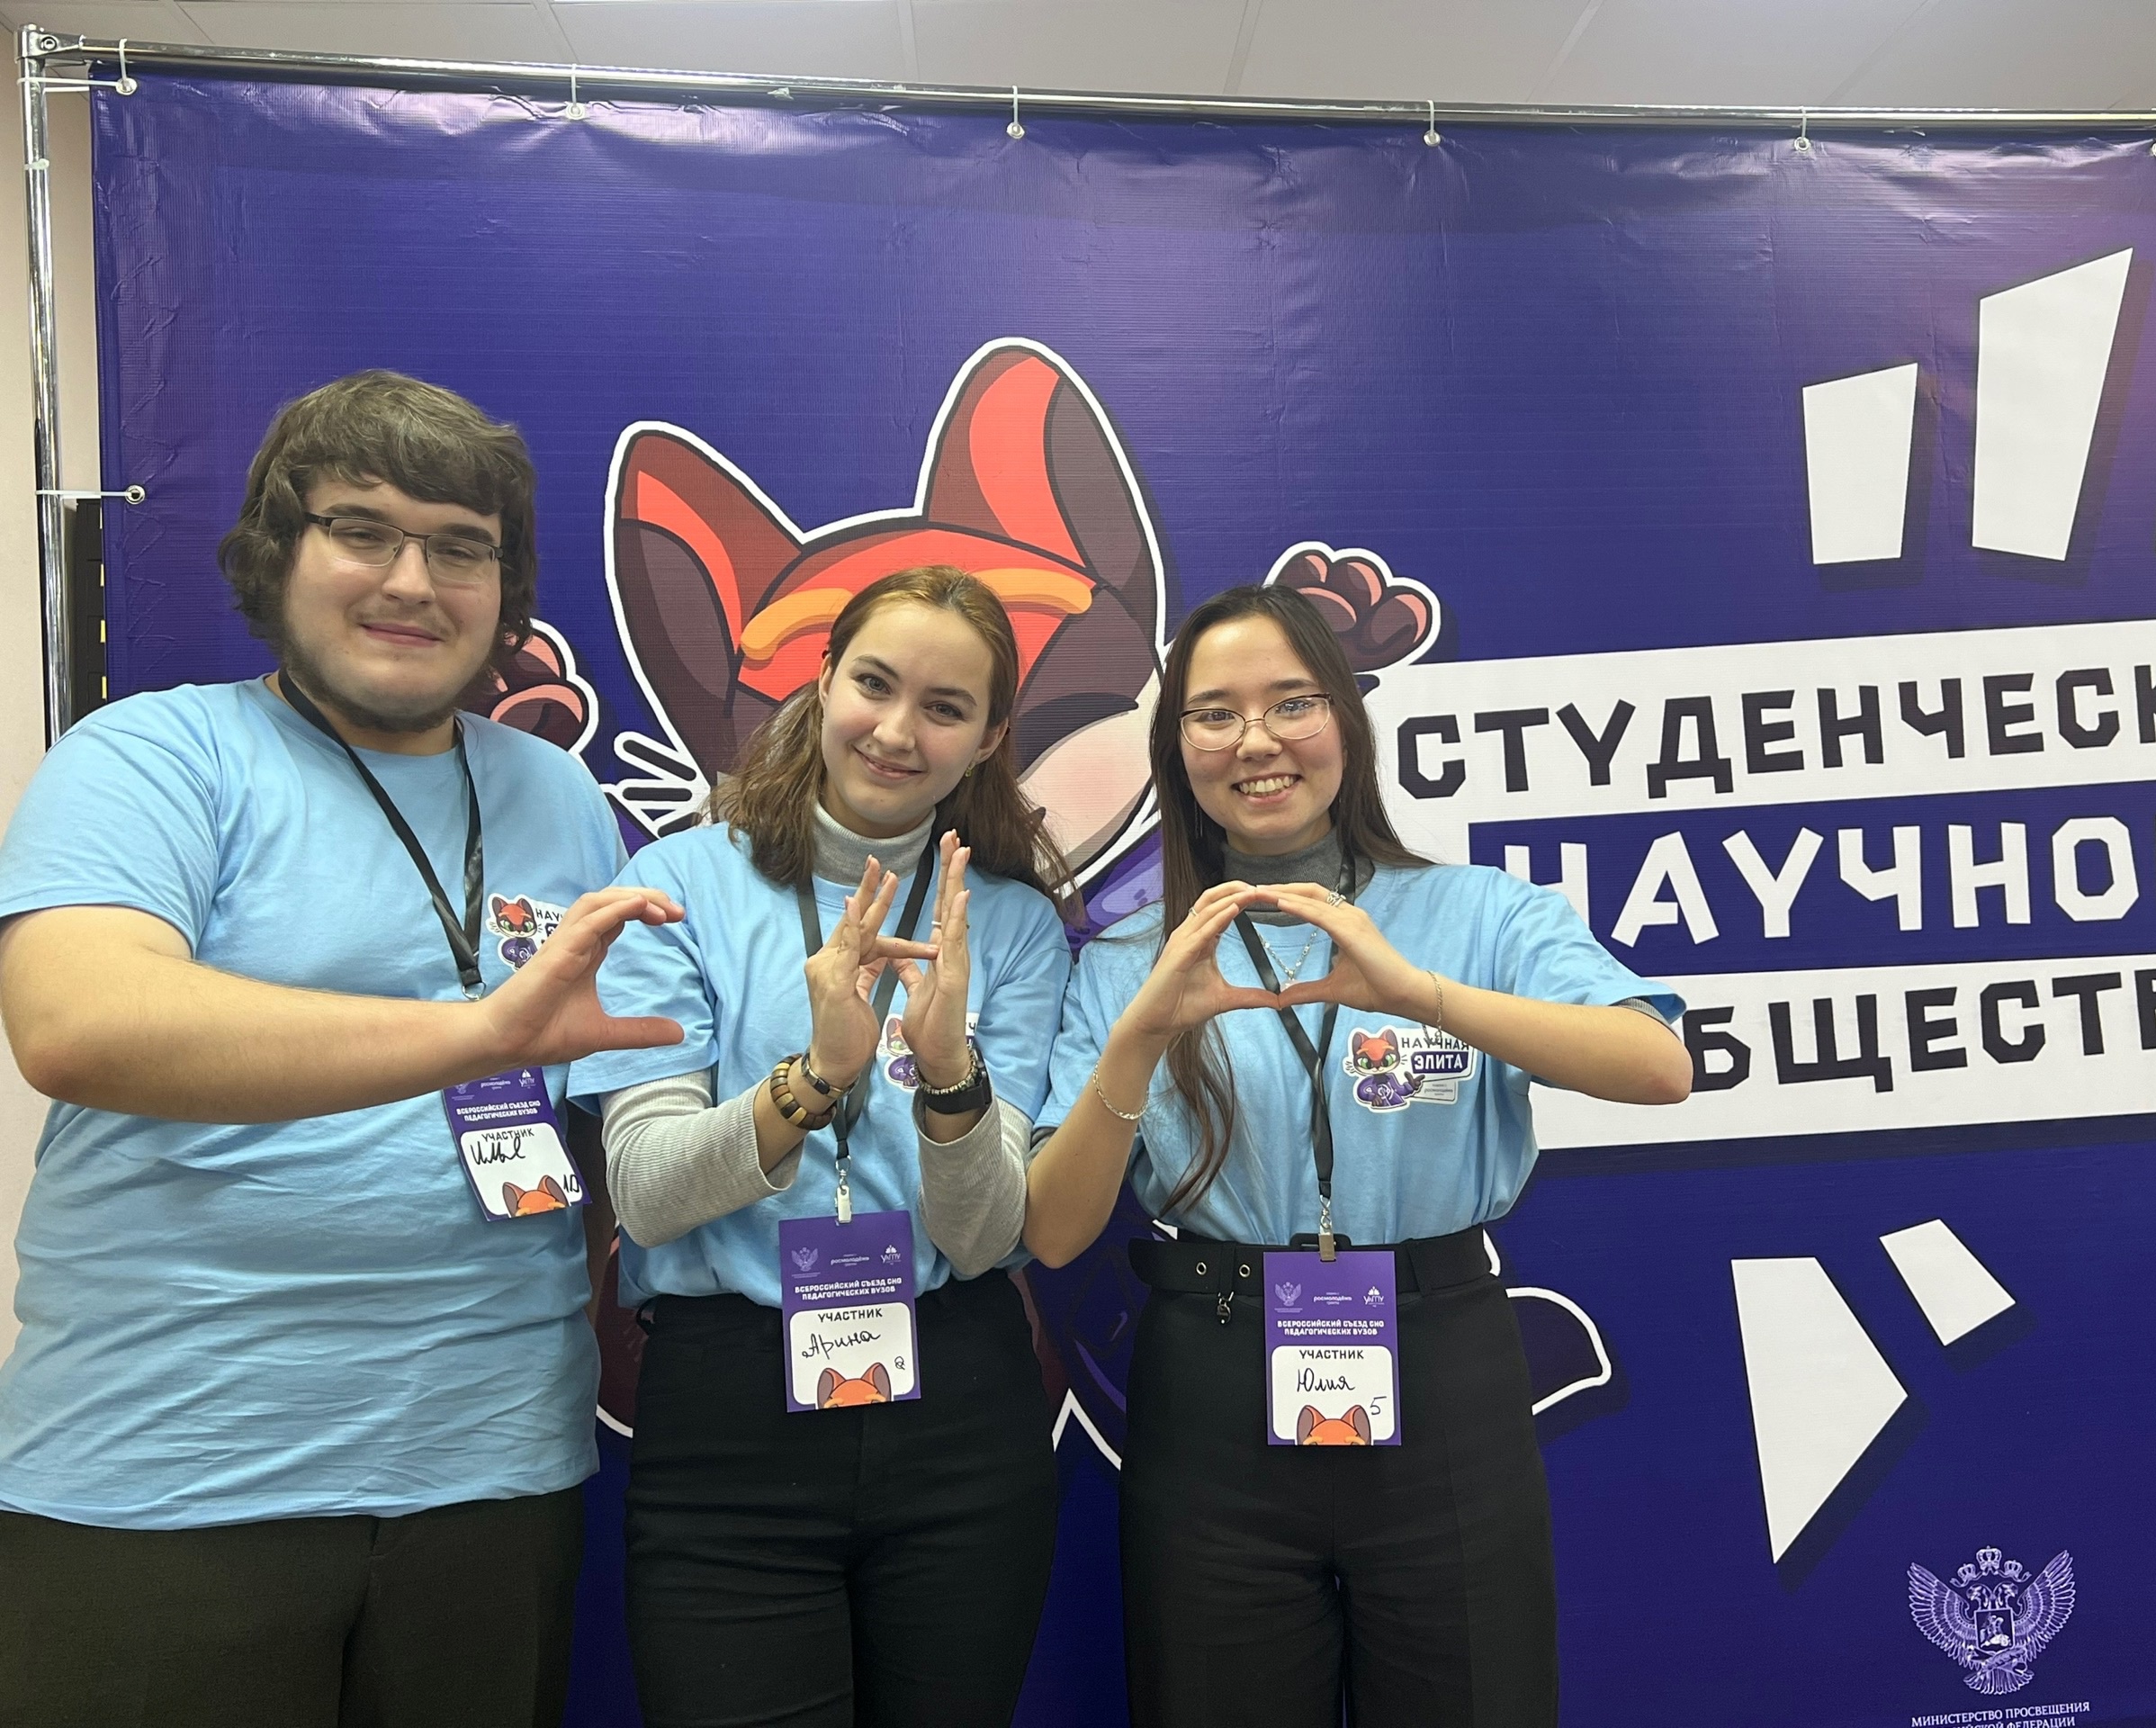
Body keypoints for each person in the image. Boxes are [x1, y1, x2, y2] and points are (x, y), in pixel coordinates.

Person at [0, 370, 684, 1728]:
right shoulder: (153, 755)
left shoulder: (557, 793)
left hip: (494, 1474)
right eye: (361, 529)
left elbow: (605, 1101)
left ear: (505, 588)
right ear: (277, 552)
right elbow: (79, 1025)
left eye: (461, 548)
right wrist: (475, 1034)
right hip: (171, 1474)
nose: (412, 582)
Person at [1024, 581, 1693, 1728]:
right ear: (1175, 747)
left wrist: (1420, 994)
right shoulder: (1128, 956)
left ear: (1345, 718)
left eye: (1291, 703)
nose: (1255, 741)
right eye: (1213, 714)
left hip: (1443, 1369)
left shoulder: (1480, 912)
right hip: (1213, 1382)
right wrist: (1138, 1037)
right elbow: (1052, 1232)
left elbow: (1657, 1066)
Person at [570, 564, 1074, 1728]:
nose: (896, 732)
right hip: (728, 1417)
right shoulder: (677, 887)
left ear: (990, 737)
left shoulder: (1009, 926)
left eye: (944, 708)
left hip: (960, 1411)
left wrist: (948, 1080)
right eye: (874, 685)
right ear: (824, 680)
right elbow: (644, 1195)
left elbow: (983, 1235)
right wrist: (814, 1081)